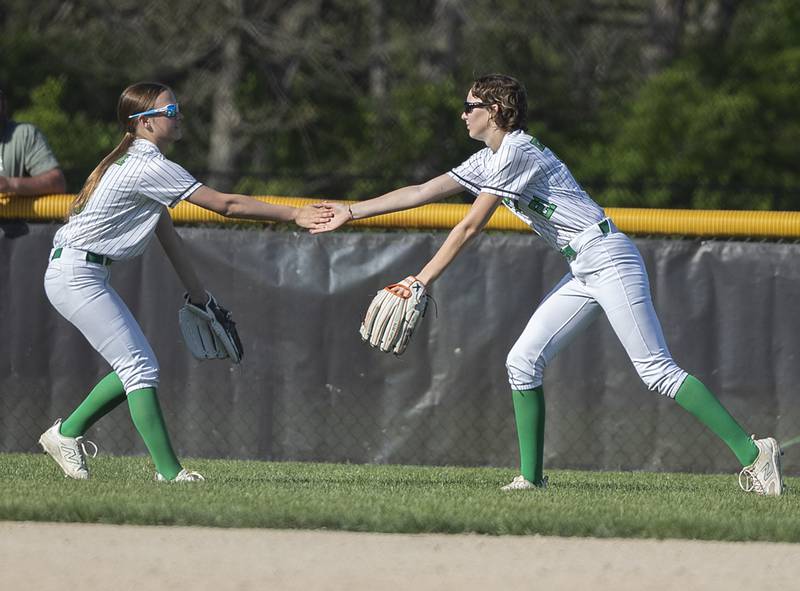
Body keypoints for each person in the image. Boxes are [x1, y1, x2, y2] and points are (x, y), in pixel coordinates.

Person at [316, 73, 784, 495]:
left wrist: (422, 278)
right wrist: (351, 210)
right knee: (522, 362)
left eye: (470, 106)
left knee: (655, 371)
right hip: (582, 266)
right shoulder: (490, 159)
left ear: (495, 111)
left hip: (607, 257)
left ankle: (754, 454)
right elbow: (420, 193)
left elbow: (470, 227)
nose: (463, 114)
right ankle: (532, 479)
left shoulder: (516, 151)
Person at [39, 81, 333, 482]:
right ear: (144, 123)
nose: (178, 117)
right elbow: (226, 205)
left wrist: (199, 295)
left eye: (177, 110)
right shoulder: (147, 165)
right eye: (170, 112)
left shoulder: (138, 162)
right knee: (139, 367)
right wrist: (295, 214)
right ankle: (169, 473)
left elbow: (166, 233)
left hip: (80, 271)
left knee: (136, 366)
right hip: (77, 273)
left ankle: (67, 434)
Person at [0, 85, 67, 195]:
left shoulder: (24, 135)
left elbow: (57, 182)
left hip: (17, 212)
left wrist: (9, 184)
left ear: (3, 104)